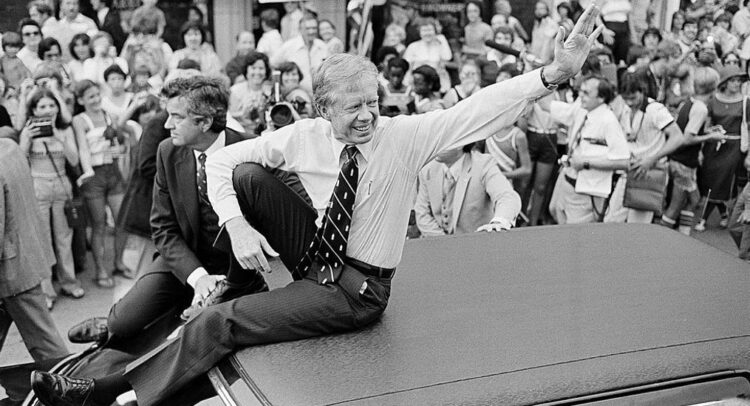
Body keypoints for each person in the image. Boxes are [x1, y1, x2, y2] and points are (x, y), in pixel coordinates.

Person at [31, 4, 604, 405]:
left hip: (355, 289)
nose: (365, 116)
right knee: (251, 173)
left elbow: (479, 106)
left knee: (221, 322)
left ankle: (109, 391)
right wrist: (237, 226)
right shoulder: (302, 136)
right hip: (314, 255)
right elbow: (224, 164)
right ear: (324, 109)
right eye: (351, 107)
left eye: (372, 103)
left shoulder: (405, 138)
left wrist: (553, 74)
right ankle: (231, 278)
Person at [68, 77, 267, 348]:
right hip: (183, 259)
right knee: (123, 323)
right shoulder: (167, 151)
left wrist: (229, 282)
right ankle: (110, 325)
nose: (166, 125)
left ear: (205, 122)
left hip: (237, 270)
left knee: (187, 338)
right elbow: (162, 227)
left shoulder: (251, 150)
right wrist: (198, 278)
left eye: (176, 116)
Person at [0, 138, 69, 363]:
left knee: (48, 348)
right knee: (46, 343)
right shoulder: (10, 147)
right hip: (25, 257)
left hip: (12, 270)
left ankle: (79, 391)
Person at [18, 87, 85, 302]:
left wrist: (58, 137)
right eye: (42, 106)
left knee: (64, 238)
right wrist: (27, 139)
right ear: (34, 111)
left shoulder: (64, 131)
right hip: (38, 186)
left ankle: (69, 282)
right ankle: (46, 290)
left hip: (61, 185)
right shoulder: (29, 131)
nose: (48, 110)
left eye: (51, 105)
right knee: (43, 239)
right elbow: (18, 162)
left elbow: (74, 161)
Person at [548, 76, 631, 224]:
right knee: (555, 210)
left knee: (574, 234)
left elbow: (624, 161)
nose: (581, 96)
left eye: (586, 93)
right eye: (581, 91)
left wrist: (586, 163)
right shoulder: (582, 111)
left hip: (587, 189)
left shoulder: (608, 120)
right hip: (569, 178)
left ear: (601, 98)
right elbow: (551, 107)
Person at [72, 79, 129, 288]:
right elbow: (83, 148)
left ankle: (119, 262)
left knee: (122, 221)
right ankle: (100, 270)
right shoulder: (79, 120)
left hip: (112, 171)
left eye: (97, 95)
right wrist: (87, 170)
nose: (96, 100)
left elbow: (119, 141)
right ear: (81, 100)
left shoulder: (108, 115)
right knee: (99, 225)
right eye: (90, 97)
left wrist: (119, 150)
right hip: (93, 176)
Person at [609, 71, 686, 224]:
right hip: (629, 170)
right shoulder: (624, 108)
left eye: (632, 98)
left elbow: (678, 137)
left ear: (642, 91)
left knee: (638, 226)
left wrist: (652, 158)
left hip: (649, 172)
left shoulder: (655, 109)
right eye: (626, 99)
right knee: (611, 220)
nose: (629, 102)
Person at [662, 67, 723, 234]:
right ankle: (660, 241)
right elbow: (687, 138)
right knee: (674, 207)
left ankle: (684, 235)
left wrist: (707, 132)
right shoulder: (701, 109)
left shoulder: (689, 102)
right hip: (683, 162)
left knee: (694, 200)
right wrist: (710, 138)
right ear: (713, 88)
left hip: (681, 161)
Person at [415, 144, 520, 236]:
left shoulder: (483, 164)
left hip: (475, 246)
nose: (434, 145)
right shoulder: (427, 169)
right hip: (438, 246)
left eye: (441, 139)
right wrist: (443, 242)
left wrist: (499, 222)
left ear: (460, 143)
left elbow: (507, 197)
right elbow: (422, 212)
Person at [697, 64, 747, 231]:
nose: (736, 84)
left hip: (733, 146)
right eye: (733, 80)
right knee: (711, 179)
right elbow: (706, 125)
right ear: (725, 82)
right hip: (714, 146)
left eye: (739, 81)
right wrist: (706, 141)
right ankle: (724, 213)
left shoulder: (746, 102)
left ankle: (703, 218)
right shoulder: (714, 100)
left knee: (724, 181)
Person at [272, 13, 329, 96]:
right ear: (300, 29)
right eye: (307, 28)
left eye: (314, 28)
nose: (311, 31)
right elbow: (273, 64)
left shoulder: (323, 46)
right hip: (295, 97)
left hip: (319, 96)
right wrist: (279, 88)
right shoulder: (289, 46)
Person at [403, 17, 453, 93]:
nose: (427, 33)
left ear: (435, 31)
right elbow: (408, 69)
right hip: (417, 84)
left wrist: (442, 38)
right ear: (419, 32)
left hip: (436, 84)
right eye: (424, 30)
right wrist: (406, 85)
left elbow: (448, 57)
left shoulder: (440, 45)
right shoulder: (413, 46)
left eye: (430, 30)